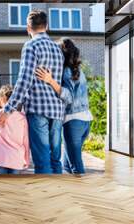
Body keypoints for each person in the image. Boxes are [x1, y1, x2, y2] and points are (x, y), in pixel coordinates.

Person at [0, 10, 65, 174]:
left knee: (42, 161)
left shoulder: (31, 45)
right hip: (57, 110)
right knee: (55, 161)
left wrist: (8, 109)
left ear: (28, 28)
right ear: (46, 26)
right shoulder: (58, 49)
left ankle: (44, 197)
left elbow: (24, 80)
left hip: (38, 109)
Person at [35, 38, 92, 174]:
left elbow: (69, 97)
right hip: (85, 121)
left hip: (73, 123)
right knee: (67, 166)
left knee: (76, 168)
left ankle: (82, 194)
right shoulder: (78, 70)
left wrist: (50, 81)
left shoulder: (66, 71)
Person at [0, 85, 30, 174]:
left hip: (1, 156)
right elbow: (26, 141)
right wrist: (26, 159)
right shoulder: (22, 117)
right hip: (17, 157)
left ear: (1, 99)